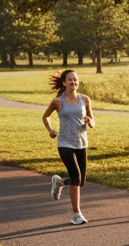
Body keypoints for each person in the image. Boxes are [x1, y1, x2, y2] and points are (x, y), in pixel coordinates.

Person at [41, 68, 95, 225]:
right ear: (64, 83)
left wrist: (90, 122)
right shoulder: (58, 101)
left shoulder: (85, 99)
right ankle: (76, 214)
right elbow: (46, 116)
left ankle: (59, 183)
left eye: (75, 79)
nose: (74, 82)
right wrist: (50, 130)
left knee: (81, 180)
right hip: (65, 143)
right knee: (76, 177)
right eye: (70, 79)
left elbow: (92, 120)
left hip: (81, 142)